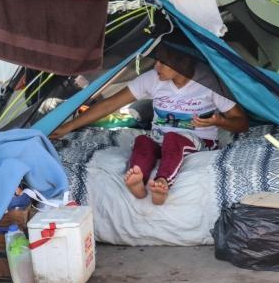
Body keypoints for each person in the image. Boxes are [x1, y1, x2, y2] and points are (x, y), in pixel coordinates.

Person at [51, 47, 249, 205]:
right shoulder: (153, 79)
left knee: (174, 138)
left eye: (162, 62)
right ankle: (138, 181)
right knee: (143, 140)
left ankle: (163, 182)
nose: (156, 66)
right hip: (162, 139)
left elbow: (241, 123)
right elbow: (110, 104)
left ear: (180, 62)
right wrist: (69, 126)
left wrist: (219, 121)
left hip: (200, 142)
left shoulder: (208, 83)